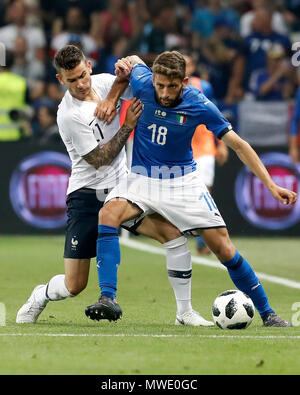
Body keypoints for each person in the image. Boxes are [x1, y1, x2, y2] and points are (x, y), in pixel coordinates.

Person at [85, 50, 297, 327]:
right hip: (142, 179)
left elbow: (239, 145)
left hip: (183, 182)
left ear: (184, 82)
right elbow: (135, 61)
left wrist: (270, 185)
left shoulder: (199, 103)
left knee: (224, 249)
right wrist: (121, 75)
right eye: (159, 85)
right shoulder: (143, 82)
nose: (164, 92)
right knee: (107, 214)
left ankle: (268, 313)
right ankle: (107, 298)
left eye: (171, 86)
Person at [16, 45, 213, 327]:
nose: (81, 84)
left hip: (123, 187)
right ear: (61, 80)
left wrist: (123, 78)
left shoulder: (106, 82)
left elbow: (139, 80)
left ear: (89, 66)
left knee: (173, 235)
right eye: (72, 80)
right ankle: (41, 294)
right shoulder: (68, 115)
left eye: (83, 75)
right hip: (86, 194)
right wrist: (128, 126)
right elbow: (100, 159)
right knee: (74, 285)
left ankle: (185, 312)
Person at [184, 53, 228, 254]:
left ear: (193, 67)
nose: (185, 67)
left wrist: (222, 144)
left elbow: (216, 117)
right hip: (181, 149)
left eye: (188, 64)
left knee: (205, 193)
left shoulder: (204, 86)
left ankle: (205, 240)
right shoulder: (167, 88)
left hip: (204, 148)